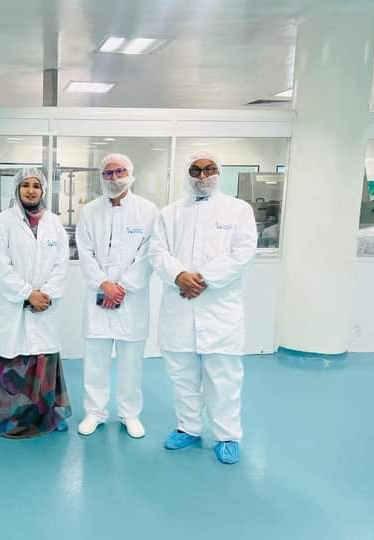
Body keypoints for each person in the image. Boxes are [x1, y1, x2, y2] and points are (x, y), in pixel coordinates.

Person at [150, 151, 257, 465]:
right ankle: (189, 428)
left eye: (209, 169)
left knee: (223, 378)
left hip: (219, 308)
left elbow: (243, 253)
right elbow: (157, 253)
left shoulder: (238, 210)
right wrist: (179, 276)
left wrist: (203, 279)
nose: (203, 176)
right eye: (196, 170)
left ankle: (227, 435)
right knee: (182, 374)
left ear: (218, 172)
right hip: (180, 307)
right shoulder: (169, 213)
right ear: (187, 175)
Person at [75, 153, 158, 439]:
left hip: (131, 299)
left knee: (131, 361)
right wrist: (103, 284)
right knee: (95, 359)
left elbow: (149, 253)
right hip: (98, 295)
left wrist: (122, 286)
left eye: (119, 171)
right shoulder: (89, 211)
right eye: (108, 173)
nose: (114, 178)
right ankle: (94, 412)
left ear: (130, 173)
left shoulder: (147, 211)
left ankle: (129, 413)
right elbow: (84, 252)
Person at [0, 167, 71, 438]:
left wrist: (46, 294)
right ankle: (9, 420)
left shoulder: (54, 224)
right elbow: (0, 267)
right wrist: (27, 294)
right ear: (17, 189)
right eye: (26, 185)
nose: (31, 190)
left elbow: (61, 264)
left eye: (36, 185)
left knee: (44, 360)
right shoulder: (2, 223)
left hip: (45, 306)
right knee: (15, 361)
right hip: (15, 306)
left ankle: (49, 415)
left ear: (43, 190)